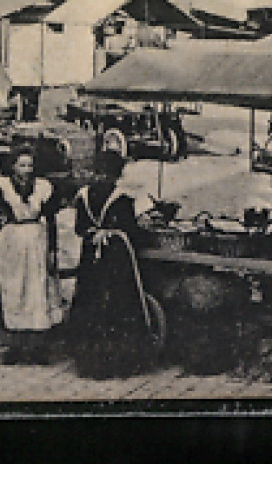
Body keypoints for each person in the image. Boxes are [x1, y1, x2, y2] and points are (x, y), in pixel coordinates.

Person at [67, 149, 158, 377]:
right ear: (118, 174)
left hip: (91, 256)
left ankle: (89, 362)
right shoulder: (123, 198)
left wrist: (93, 233)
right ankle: (117, 362)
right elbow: (133, 231)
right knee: (118, 302)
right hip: (116, 257)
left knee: (90, 300)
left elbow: (79, 228)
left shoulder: (85, 195)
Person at [0, 145, 62, 361]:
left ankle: (38, 346)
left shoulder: (43, 187)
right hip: (12, 241)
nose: (27, 169)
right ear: (13, 167)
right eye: (22, 165)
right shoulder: (2, 187)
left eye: (30, 165)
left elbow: (51, 219)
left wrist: (53, 250)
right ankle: (14, 345)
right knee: (14, 289)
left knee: (36, 291)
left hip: (37, 239)